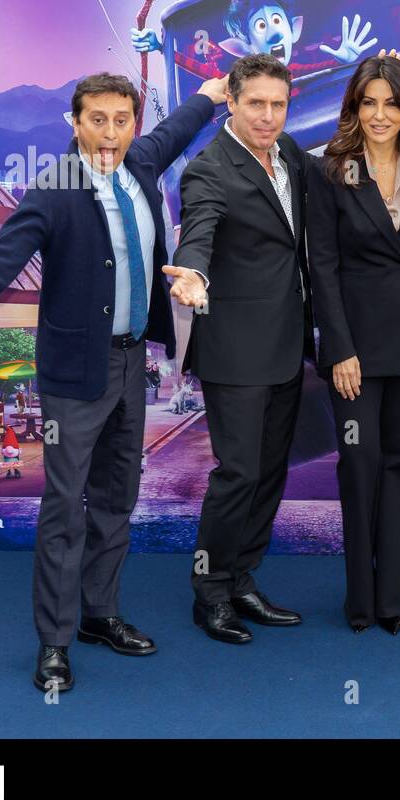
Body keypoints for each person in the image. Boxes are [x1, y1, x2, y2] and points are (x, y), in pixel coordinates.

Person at [0, 71, 226, 692]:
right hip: (76, 375)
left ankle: (100, 616)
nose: (110, 134)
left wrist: (210, 96)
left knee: (115, 501)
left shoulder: (142, 159)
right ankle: (54, 642)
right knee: (65, 510)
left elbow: (179, 124)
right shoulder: (53, 190)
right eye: (97, 120)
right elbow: (3, 254)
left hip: (134, 362)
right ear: (74, 123)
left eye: (121, 120)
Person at [165, 52, 313, 644]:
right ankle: (210, 593)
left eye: (278, 105)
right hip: (234, 351)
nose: (268, 116)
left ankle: (244, 579)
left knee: (271, 473)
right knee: (238, 473)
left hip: (286, 345)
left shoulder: (293, 156)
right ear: (230, 100)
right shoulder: (208, 170)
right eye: (256, 104)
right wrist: (194, 275)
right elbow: (199, 231)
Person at [308, 55, 400, 635]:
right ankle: (359, 599)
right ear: (354, 108)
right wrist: (339, 349)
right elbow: (323, 266)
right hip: (355, 350)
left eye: (391, 103)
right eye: (369, 102)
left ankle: (394, 598)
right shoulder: (331, 170)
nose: (380, 114)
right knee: (359, 462)